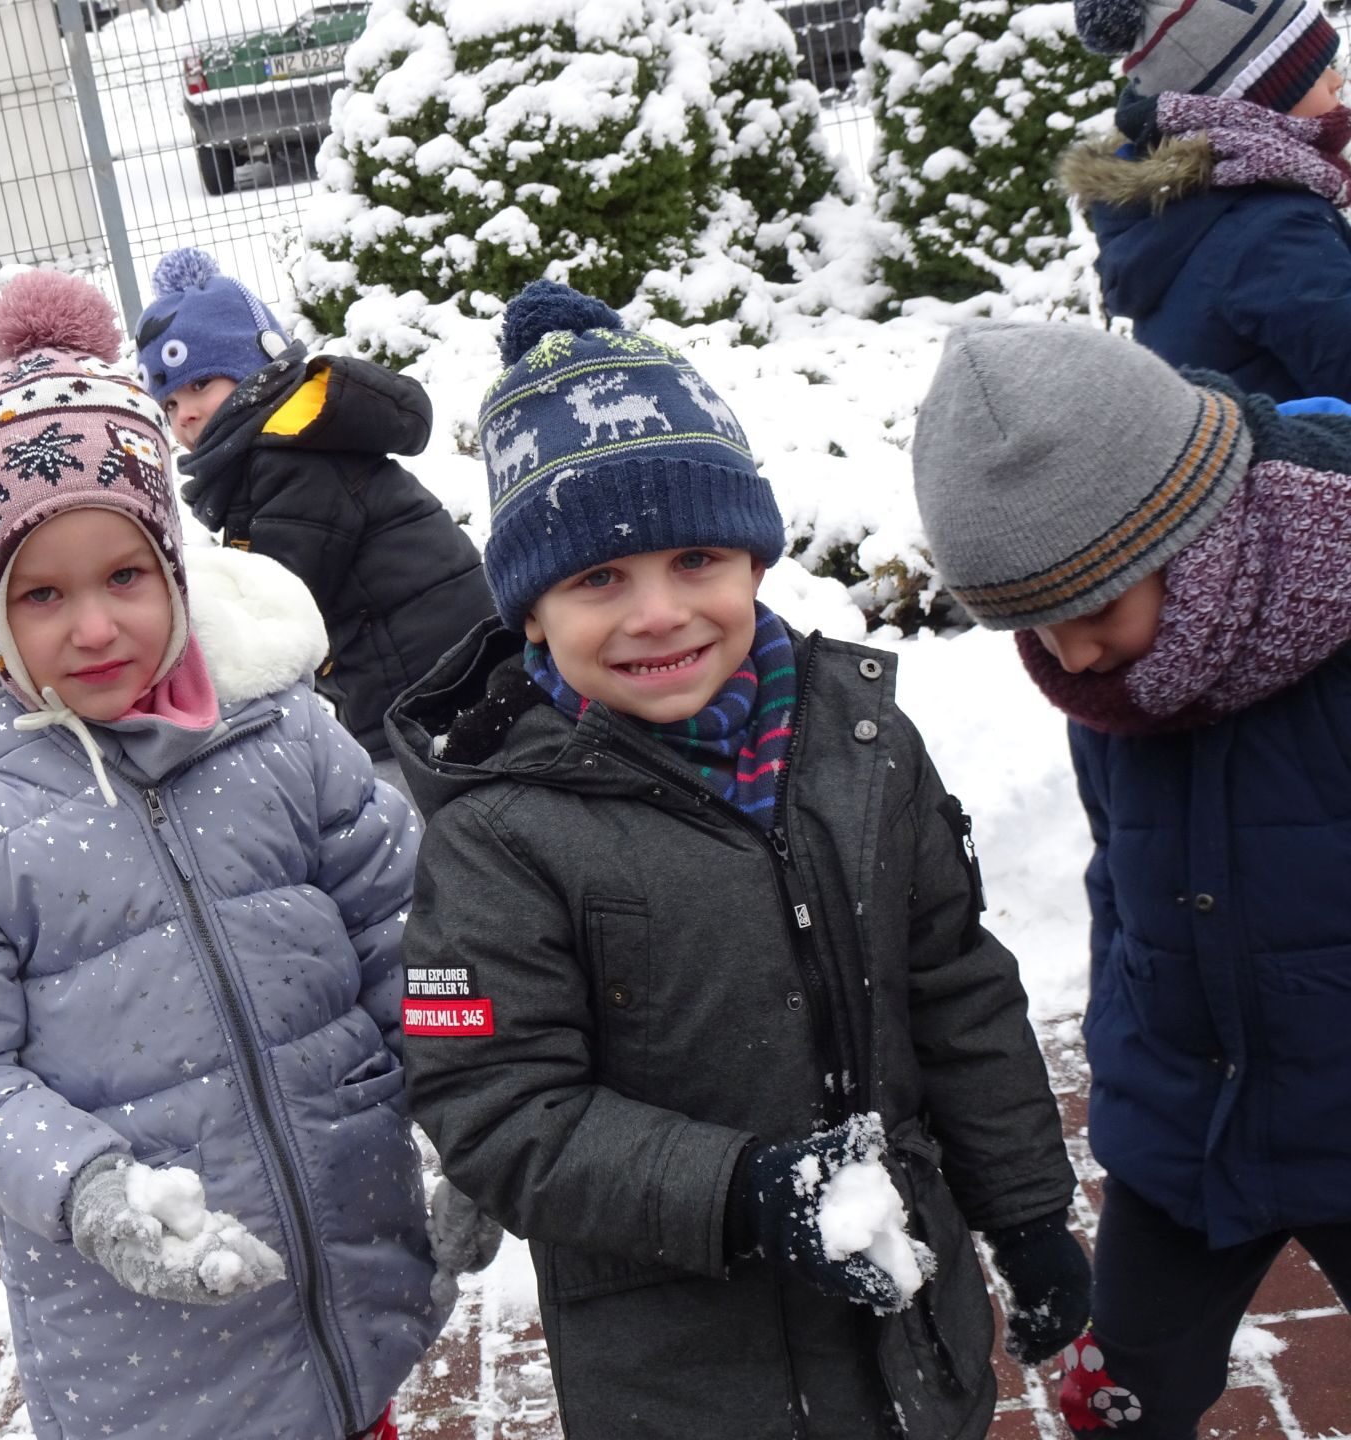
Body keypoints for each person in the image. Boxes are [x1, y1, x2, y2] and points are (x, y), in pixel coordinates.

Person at [385, 280, 1088, 1439]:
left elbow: (953, 984)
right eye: (598, 579)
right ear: (530, 614)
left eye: (697, 557)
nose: (659, 613)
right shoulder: (499, 835)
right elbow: (497, 1108)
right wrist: (746, 1193)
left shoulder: (864, 746)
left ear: (754, 563)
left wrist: (1025, 1212)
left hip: (911, 1342)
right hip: (686, 1378)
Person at [0, 270, 498, 1440]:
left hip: (349, 1300)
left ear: (174, 565)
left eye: (125, 576)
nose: (95, 625)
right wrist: (88, 1189)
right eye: (39, 595)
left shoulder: (289, 739)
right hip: (147, 1356)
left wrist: (475, 1114)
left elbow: (414, 943)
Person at [911, 320, 1351, 1437]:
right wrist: (1129, 1043)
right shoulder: (1123, 681)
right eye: (1033, 626)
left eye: (1093, 610)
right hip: (1186, 1126)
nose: (1072, 659)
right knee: (1126, 1398)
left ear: (1194, 535)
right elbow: (1123, 871)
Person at [132, 247, 496, 793]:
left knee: (415, 813)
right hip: (428, 667)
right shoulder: (272, 451)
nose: (185, 414)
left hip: (429, 679)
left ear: (252, 368)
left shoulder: (295, 458)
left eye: (200, 385)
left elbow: (278, 597)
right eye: (169, 404)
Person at [1063, 0, 1351, 402]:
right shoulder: (1272, 234)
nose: (1336, 80)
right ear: (1260, 104)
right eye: (1315, 70)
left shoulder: (1192, 216)